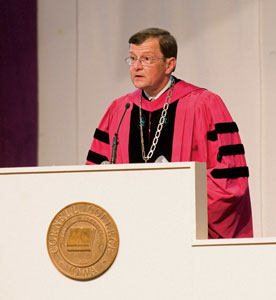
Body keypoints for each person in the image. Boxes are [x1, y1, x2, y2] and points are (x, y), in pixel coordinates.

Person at [86, 28, 253, 239]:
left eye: (146, 59)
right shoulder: (119, 110)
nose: (136, 66)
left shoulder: (204, 104)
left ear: (169, 64)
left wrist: (177, 202)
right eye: (132, 59)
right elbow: (94, 173)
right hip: (131, 231)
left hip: (184, 230)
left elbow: (230, 177)